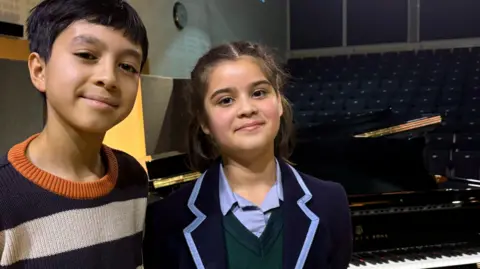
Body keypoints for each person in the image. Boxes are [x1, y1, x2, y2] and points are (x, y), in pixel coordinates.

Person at [143, 41, 352, 269]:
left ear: (279, 103)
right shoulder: (166, 218)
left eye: (259, 93)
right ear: (204, 122)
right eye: (226, 100)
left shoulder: (330, 202)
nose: (247, 109)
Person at [0, 0, 149, 268]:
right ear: (39, 70)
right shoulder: (4, 195)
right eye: (86, 55)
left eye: (127, 66)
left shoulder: (133, 178)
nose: (109, 78)